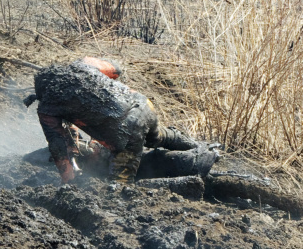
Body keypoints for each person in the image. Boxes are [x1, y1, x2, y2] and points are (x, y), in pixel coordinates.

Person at [28, 57, 198, 184]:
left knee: (119, 185)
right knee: (157, 137)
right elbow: (116, 70)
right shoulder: (82, 65)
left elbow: (58, 149)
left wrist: (69, 182)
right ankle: (195, 146)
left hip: (125, 131)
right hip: (143, 105)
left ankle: (188, 180)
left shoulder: (47, 108)